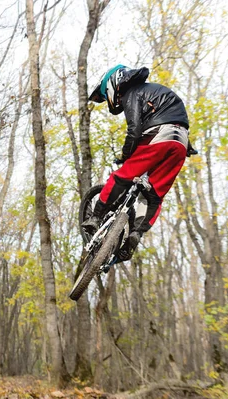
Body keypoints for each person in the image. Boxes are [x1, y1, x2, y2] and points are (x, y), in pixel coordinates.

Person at [81, 64, 196, 260]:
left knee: (121, 177)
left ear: (112, 84)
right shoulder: (154, 89)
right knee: (154, 194)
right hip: (180, 142)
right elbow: (174, 118)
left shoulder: (131, 93)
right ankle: (136, 234)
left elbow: (134, 129)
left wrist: (126, 155)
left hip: (157, 136)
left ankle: (95, 217)